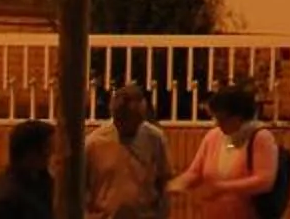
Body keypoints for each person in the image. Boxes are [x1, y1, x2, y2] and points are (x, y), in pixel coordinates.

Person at [166, 85, 278, 219]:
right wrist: (177, 185)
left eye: (222, 119)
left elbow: (264, 181)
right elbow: (195, 172)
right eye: (215, 118)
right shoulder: (214, 136)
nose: (218, 124)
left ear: (239, 117)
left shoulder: (260, 138)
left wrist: (222, 187)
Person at [82, 84, 170, 219]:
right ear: (117, 118)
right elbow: (81, 188)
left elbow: (164, 181)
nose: (137, 126)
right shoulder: (94, 143)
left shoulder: (155, 139)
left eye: (140, 119)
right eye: (132, 120)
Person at [0, 120, 57, 219]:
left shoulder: (43, 182)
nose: (52, 154)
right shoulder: (2, 200)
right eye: (48, 148)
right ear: (31, 153)